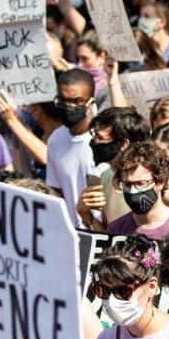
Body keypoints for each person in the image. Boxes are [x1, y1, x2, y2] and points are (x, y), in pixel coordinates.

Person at [105, 141, 169, 239]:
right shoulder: (115, 230)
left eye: (140, 183)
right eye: (127, 184)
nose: (132, 191)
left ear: (161, 182)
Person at [47, 68, 96, 224]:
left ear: (91, 103)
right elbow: (56, 191)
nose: (69, 107)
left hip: (105, 232)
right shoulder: (55, 140)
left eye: (76, 101)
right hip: (74, 233)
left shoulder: (104, 139)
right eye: (63, 100)